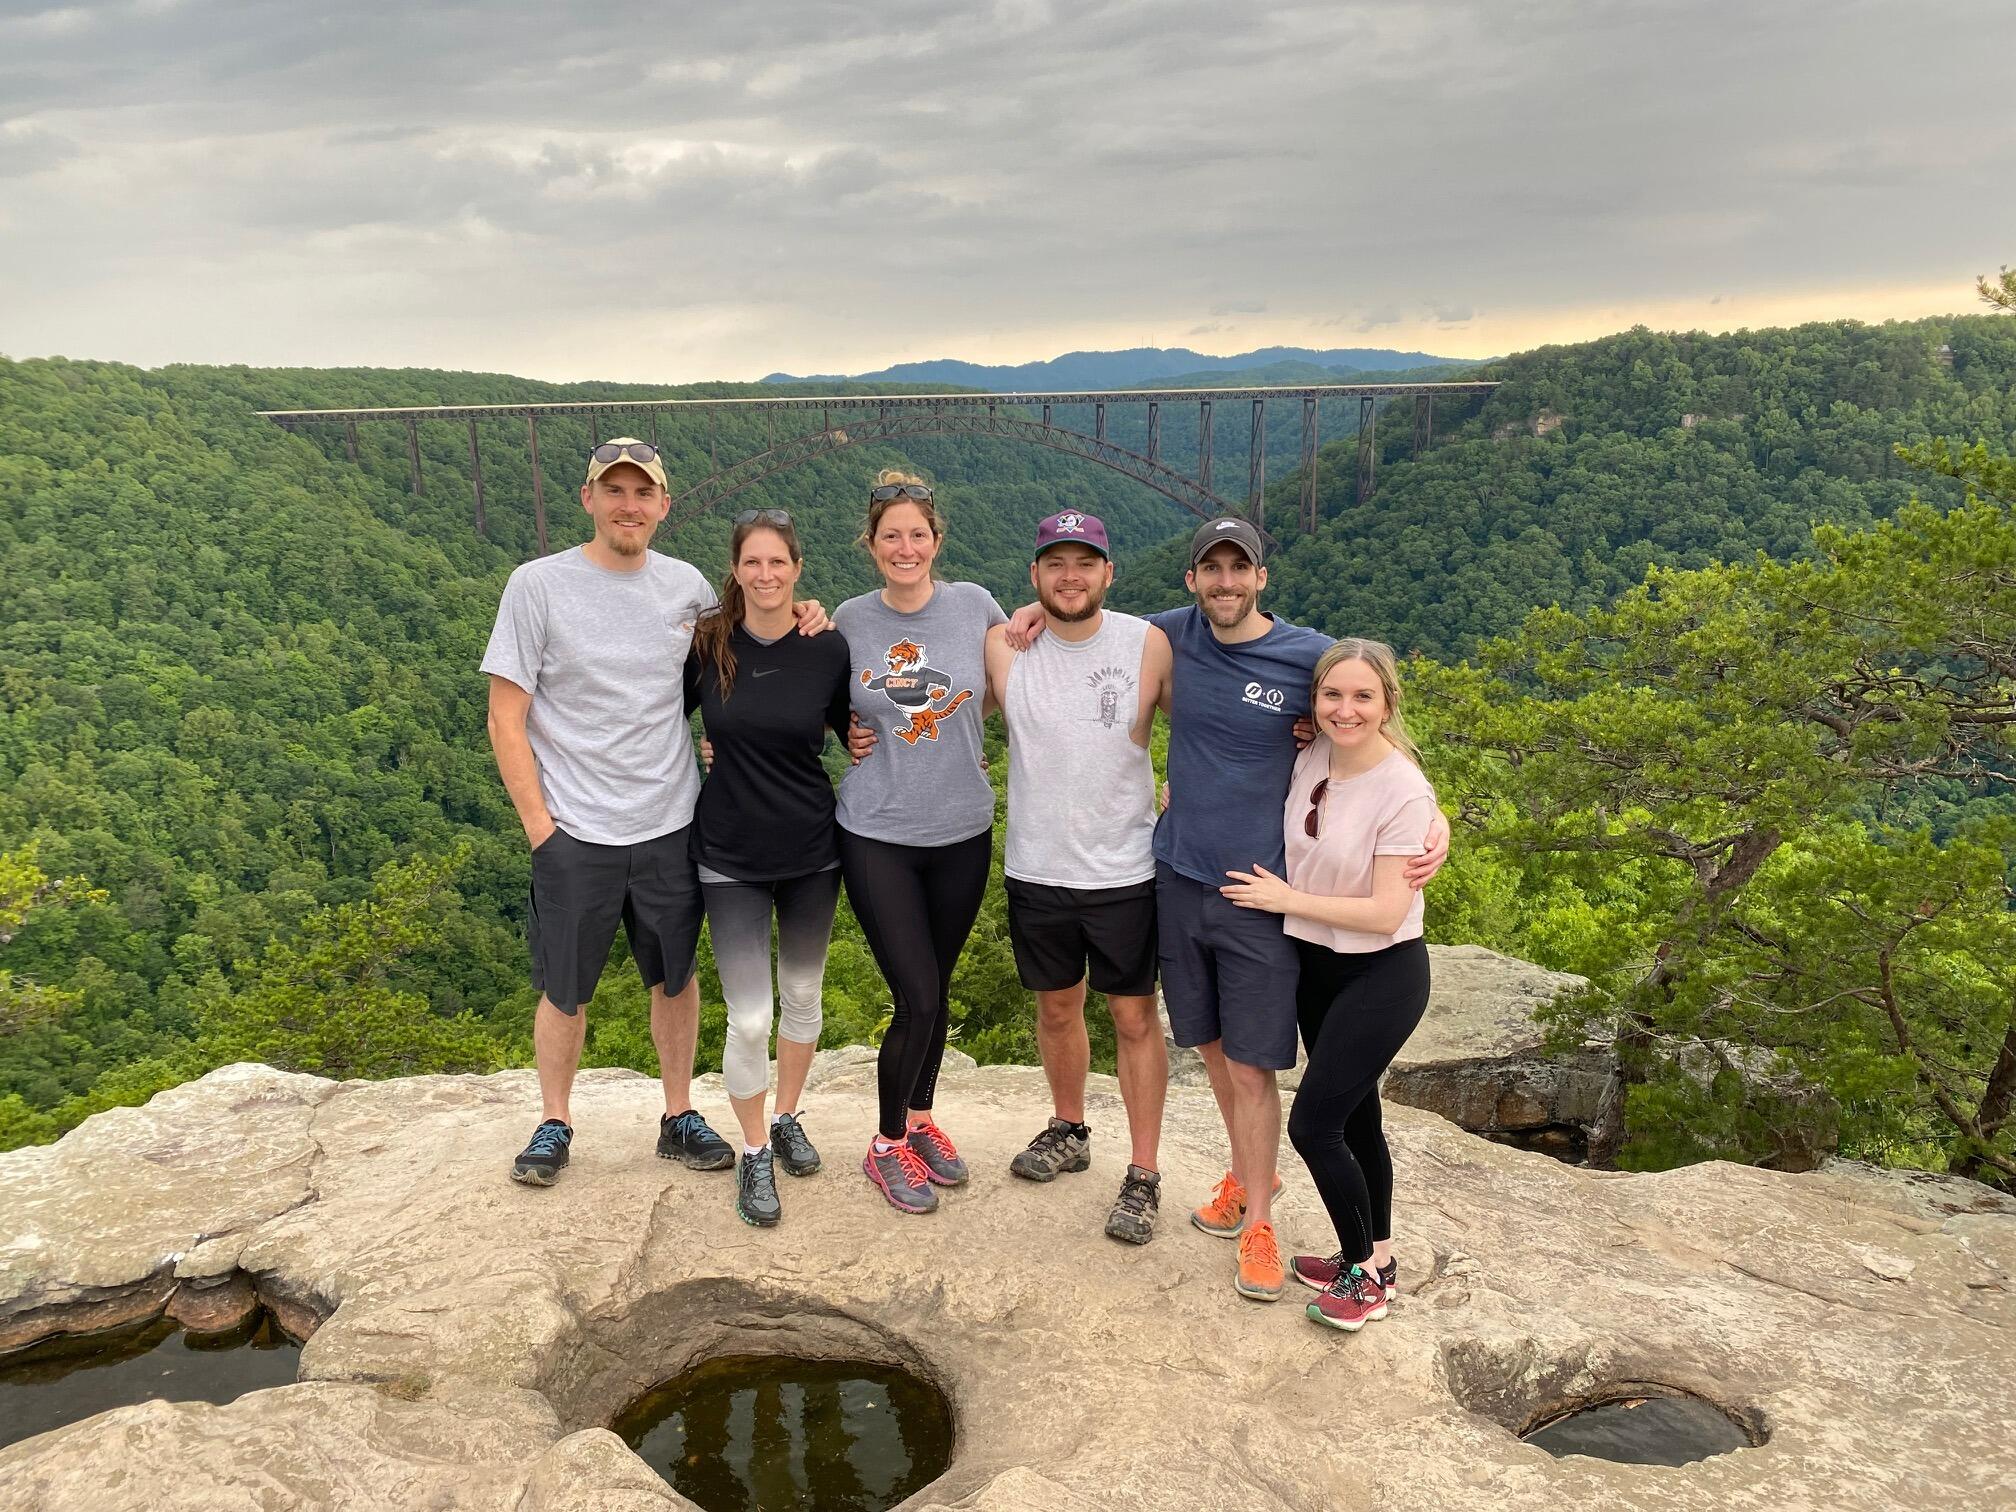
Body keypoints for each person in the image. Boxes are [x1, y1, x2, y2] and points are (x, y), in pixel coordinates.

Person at [1010, 515, 1446, 1300]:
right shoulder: (1169, 636)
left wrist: (1429, 816)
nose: (1225, 583)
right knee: (1207, 1043)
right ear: (1191, 582)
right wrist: (1029, 613)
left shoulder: (1308, 655)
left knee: (1251, 1064)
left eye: (1238, 569)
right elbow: (1088, 617)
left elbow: (1367, 714)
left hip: (1259, 896)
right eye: (1210, 570)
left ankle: (1259, 1232)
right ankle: (1256, 1179)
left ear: (1261, 578)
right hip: (1176, 876)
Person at [482, 439, 824, 1187]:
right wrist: (542, 829)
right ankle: (554, 1121)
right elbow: (506, 717)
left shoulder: (688, 587)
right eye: (615, 491)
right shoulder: (537, 586)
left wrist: (805, 610)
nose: (629, 505)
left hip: (672, 822)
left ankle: (677, 1115)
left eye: (644, 493)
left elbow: (750, 638)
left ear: (664, 506)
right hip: (576, 830)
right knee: (564, 986)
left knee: (673, 977)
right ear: (589, 500)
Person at [1220, 639, 1436, 1333]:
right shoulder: (1310, 756)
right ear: (1314, 703)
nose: (1346, 709)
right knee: (1358, 1116)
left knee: (1315, 1124)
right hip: (1317, 965)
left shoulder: (1403, 789)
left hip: (1382, 970)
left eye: (1363, 696)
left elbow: (1384, 912)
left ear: (1387, 704)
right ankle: (1380, 1256)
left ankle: (1363, 1275)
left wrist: (1286, 899)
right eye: (1332, 695)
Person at [984, 511, 1171, 1243]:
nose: (1070, 576)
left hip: (1125, 866)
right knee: (1057, 1009)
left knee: (1133, 1017)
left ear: (1109, 573)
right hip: (1037, 865)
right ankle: (1070, 1129)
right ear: (1033, 575)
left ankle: (1145, 1171)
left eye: (1085, 562)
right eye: (1055, 564)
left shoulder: (1146, 642)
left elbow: (1206, 723)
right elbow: (916, 700)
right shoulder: (1004, 645)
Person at [833, 469, 1007, 1215]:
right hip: (878, 832)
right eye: (890, 536)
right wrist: (839, 730)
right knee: (919, 994)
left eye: (917, 534)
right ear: (870, 545)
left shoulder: (975, 605)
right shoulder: (845, 619)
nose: (905, 547)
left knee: (935, 988)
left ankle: (921, 1118)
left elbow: (1011, 675)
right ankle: (884, 1145)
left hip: (963, 829)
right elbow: (801, 687)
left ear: (937, 541)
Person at [684, 509, 853, 1228]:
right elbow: (656, 716)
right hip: (729, 856)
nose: (765, 575)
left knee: (803, 996)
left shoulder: (828, 646)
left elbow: (860, 728)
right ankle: (755, 1151)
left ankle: (786, 1116)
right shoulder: (709, 643)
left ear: (797, 567)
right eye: (751, 563)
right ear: (736, 568)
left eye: (777, 562)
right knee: (751, 1017)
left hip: (813, 850)